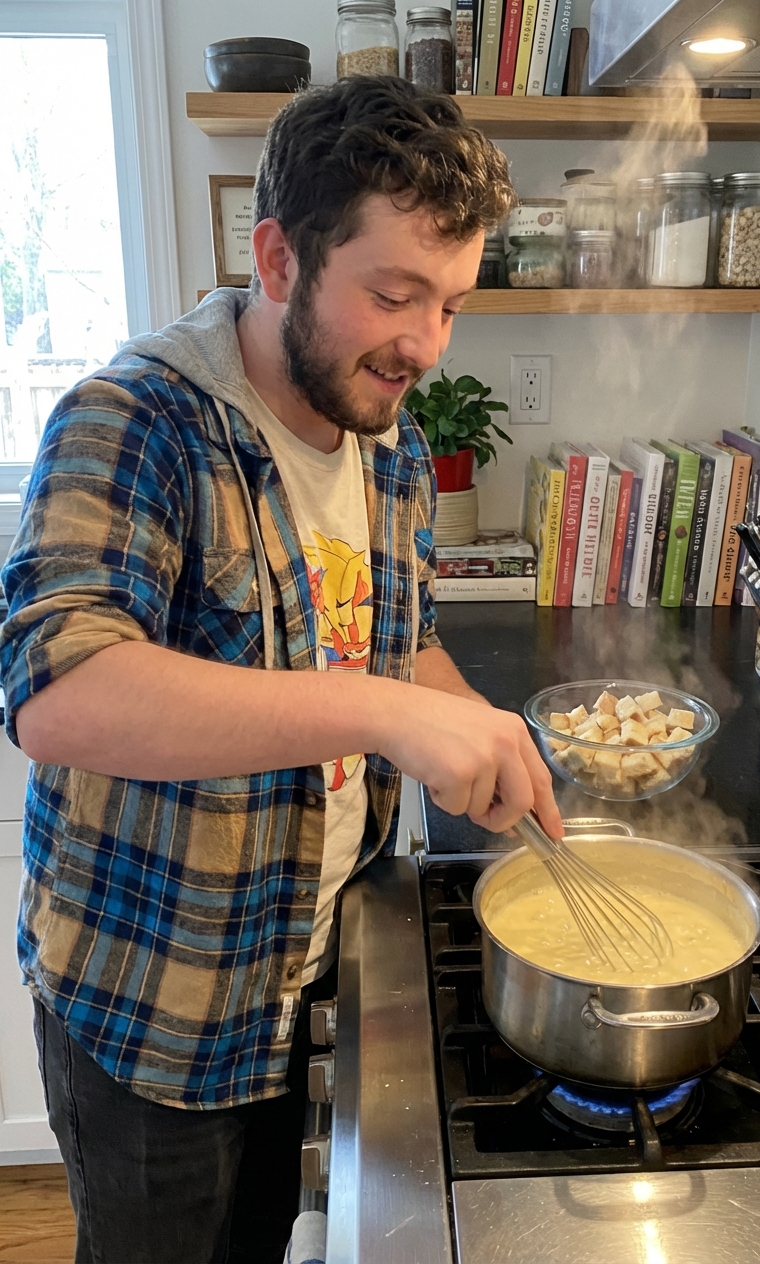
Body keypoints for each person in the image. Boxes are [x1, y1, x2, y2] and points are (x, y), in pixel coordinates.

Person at [0, 76, 561, 1264]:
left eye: (450, 303)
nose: (423, 344)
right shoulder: (134, 419)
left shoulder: (383, 425)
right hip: (158, 1010)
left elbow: (392, 636)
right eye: (393, 294)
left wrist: (473, 724)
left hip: (310, 976)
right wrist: (382, 715)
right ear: (278, 256)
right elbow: (61, 694)